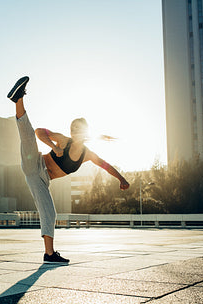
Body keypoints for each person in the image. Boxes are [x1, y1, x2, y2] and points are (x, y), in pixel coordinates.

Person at [7, 76, 130, 264]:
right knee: (28, 137)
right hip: (35, 163)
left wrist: (121, 179)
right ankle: (19, 98)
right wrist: (53, 146)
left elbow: (105, 165)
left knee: (50, 212)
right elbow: (40, 131)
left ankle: (49, 254)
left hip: (41, 180)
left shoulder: (87, 154)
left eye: (77, 128)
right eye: (72, 127)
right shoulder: (64, 141)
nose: (73, 130)